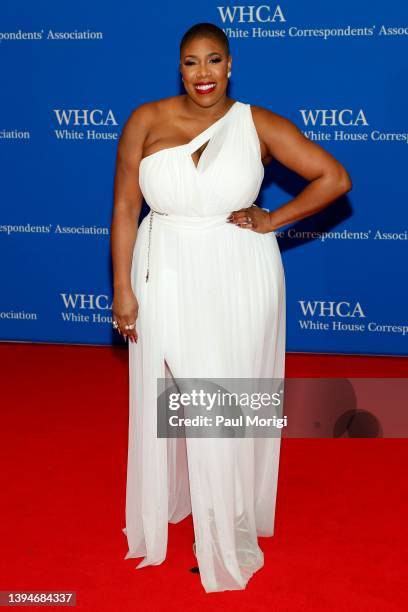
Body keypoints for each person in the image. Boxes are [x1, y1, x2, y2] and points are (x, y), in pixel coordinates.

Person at [110, 22, 352, 593]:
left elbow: (333, 178)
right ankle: (190, 509)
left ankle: (226, 527)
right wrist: (122, 289)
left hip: (239, 271)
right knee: (179, 390)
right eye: (191, 62)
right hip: (163, 263)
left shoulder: (257, 123)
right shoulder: (145, 120)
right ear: (179, 67)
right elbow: (124, 208)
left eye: (213, 60)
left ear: (230, 64)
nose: (202, 74)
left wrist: (272, 218)